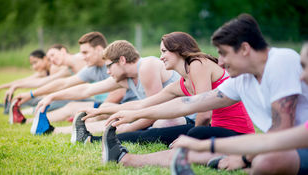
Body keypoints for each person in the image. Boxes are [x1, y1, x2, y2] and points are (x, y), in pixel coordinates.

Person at [103, 14, 308, 175]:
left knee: (266, 161)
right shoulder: (242, 80)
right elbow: (189, 103)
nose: (220, 62)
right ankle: (126, 160)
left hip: (293, 146)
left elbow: (282, 132)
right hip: (281, 145)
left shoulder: (280, 61)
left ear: (245, 49)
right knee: (197, 146)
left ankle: (236, 162)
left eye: (224, 53)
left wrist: (244, 157)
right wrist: (133, 114)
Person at [74, 32, 254, 147]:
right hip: (214, 129)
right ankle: (92, 140)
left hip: (238, 134)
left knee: (194, 132)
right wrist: (103, 110)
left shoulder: (198, 64)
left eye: (164, 52)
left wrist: (192, 139)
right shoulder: (181, 84)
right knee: (155, 134)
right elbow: (144, 104)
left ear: (178, 50)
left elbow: (205, 114)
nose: (161, 57)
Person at [170, 42, 308, 175]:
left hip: (241, 135)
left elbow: (276, 137)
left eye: (305, 67)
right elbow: (278, 138)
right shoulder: (239, 80)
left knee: (265, 161)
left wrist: (242, 158)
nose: (301, 76)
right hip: (258, 141)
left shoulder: (198, 65)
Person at [30, 39, 179, 136]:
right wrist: (52, 96)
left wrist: (126, 128)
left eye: (109, 66)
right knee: (119, 122)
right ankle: (52, 131)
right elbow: (86, 89)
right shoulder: (125, 77)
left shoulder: (147, 66)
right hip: (159, 114)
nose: (107, 71)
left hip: (183, 117)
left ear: (121, 60)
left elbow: (154, 111)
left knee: (155, 123)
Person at [11, 32, 129, 125]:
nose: (82, 57)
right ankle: (27, 121)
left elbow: (118, 93)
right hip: (107, 104)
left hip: (126, 106)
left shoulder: (115, 63)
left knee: (85, 112)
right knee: (71, 106)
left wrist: (99, 111)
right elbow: (63, 83)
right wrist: (32, 94)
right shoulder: (92, 68)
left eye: (85, 52)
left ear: (98, 49)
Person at [0, 49, 51, 114]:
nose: (34, 67)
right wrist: (1, 87)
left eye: (35, 62)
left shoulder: (54, 69)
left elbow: (38, 83)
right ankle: (7, 105)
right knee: (23, 100)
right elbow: (24, 80)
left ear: (45, 58)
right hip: (43, 98)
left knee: (31, 100)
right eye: (32, 64)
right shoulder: (44, 72)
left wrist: (15, 86)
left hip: (52, 101)